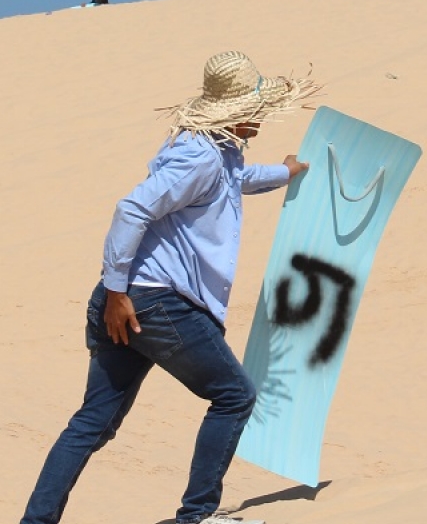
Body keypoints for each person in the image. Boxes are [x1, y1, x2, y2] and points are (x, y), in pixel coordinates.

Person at [19, 51, 317, 524]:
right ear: (234, 113)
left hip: (134, 301)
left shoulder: (213, 150)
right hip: (154, 303)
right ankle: (196, 515)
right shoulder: (200, 157)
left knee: (94, 420)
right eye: (256, 110)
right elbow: (132, 210)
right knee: (234, 396)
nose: (261, 118)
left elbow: (233, 179)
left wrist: (285, 173)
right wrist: (117, 293)